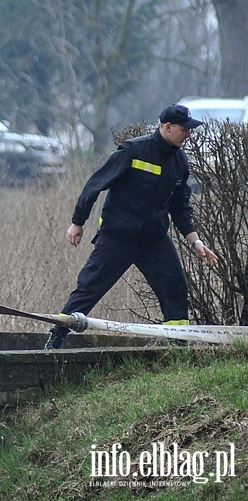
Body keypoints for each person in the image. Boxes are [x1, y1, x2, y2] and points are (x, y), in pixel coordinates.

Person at [44, 104, 219, 350]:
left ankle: (178, 347)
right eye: (184, 129)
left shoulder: (180, 162)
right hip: (118, 237)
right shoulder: (133, 150)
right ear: (168, 127)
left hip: (154, 240)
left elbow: (180, 207)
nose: (188, 135)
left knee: (175, 288)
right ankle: (57, 338)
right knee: (89, 288)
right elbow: (95, 184)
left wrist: (195, 241)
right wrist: (78, 222)